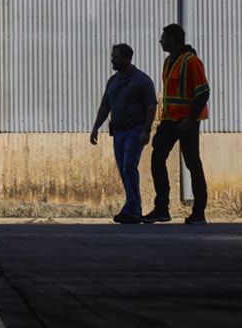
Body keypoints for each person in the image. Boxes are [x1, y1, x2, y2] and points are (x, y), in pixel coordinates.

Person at [142, 24, 210, 225]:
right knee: (157, 159)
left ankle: (199, 212)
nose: (160, 41)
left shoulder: (192, 61)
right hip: (170, 121)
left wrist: (190, 119)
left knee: (192, 164)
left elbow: (203, 93)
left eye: (163, 38)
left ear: (172, 39)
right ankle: (161, 208)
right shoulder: (168, 61)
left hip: (187, 122)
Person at [90, 43, 157, 224]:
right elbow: (105, 106)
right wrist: (96, 127)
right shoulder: (113, 81)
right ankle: (132, 206)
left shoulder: (142, 80)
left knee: (129, 165)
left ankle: (133, 208)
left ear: (127, 58)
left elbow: (151, 105)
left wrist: (146, 129)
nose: (112, 60)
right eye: (112, 57)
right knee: (123, 168)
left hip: (136, 130)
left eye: (116, 57)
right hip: (118, 131)